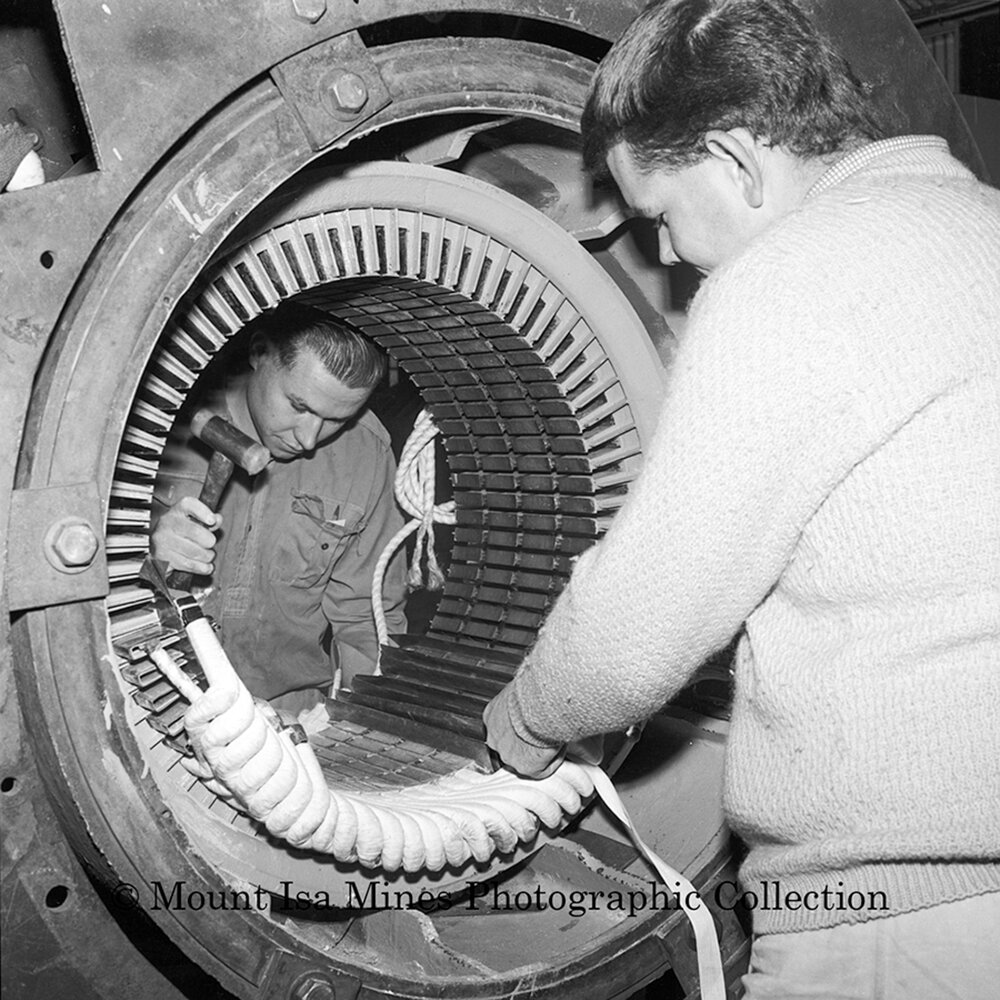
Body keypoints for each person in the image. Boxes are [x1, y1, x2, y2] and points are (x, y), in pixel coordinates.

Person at [483, 0, 1000, 995]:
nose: (669, 256)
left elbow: (636, 633)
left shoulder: (788, 279)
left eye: (662, 216)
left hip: (898, 919)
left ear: (736, 159)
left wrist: (532, 717)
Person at [153, 302, 407, 715]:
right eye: (300, 406)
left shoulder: (367, 454)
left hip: (287, 718)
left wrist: (362, 724)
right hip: (153, 697)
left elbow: (367, 619)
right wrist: (144, 553)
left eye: (337, 419)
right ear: (259, 352)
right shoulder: (157, 420)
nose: (308, 439)